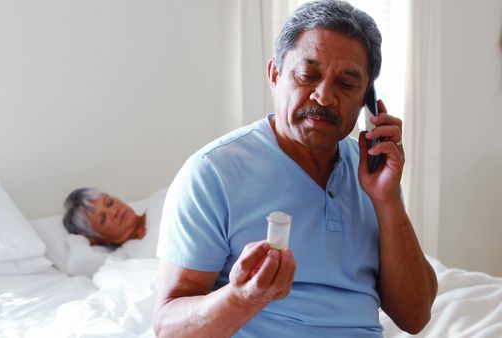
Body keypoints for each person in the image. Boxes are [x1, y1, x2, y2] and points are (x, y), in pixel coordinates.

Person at [153, 1, 438, 337]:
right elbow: (168, 328)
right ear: (274, 75)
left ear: (368, 100)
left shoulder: (374, 175)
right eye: (307, 75)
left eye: (347, 84)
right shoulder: (212, 172)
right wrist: (242, 298)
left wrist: (387, 201)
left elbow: (415, 317)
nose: (324, 96)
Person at [62, 188, 147, 247]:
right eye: (103, 219)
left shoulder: (158, 205)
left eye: (109, 203)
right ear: (98, 239)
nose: (114, 212)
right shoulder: (126, 262)